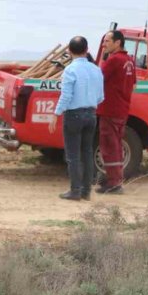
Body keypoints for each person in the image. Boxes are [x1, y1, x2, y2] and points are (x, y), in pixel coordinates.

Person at [49, 36, 104, 201]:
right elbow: (101, 96)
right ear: (87, 50)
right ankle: (86, 191)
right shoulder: (96, 69)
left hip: (74, 115)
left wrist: (56, 114)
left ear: (70, 51)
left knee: (73, 155)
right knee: (87, 152)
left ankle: (75, 190)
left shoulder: (70, 70)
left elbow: (66, 95)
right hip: (91, 113)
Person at [96, 30, 135, 195]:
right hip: (122, 109)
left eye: (107, 41)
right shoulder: (129, 61)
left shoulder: (114, 60)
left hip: (110, 109)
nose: (104, 44)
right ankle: (115, 180)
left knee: (109, 146)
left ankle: (114, 183)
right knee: (117, 145)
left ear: (118, 42)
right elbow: (132, 82)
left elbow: (99, 78)